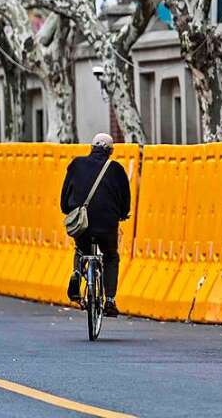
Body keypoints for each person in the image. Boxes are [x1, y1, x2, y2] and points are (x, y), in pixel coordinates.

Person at [60, 132, 130, 317]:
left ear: (91, 149)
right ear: (110, 151)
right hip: (107, 225)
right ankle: (110, 301)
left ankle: (77, 273)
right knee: (110, 256)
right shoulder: (116, 169)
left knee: (81, 249)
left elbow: (64, 198)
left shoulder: (76, 164)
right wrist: (122, 214)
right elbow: (125, 199)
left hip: (82, 224)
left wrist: (69, 209)